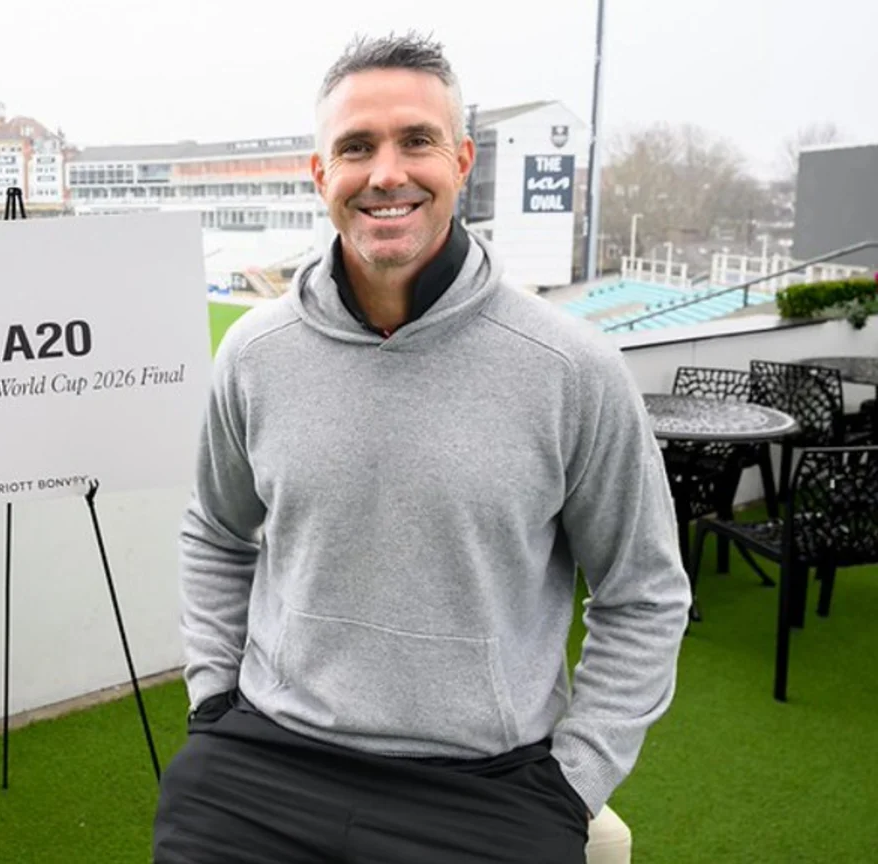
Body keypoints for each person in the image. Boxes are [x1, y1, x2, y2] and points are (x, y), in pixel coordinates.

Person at [153, 32, 691, 864]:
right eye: (356, 147)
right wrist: (212, 701)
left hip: (485, 785)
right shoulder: (255, 356)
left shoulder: (573, 370)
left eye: (417, 141)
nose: (387, 173)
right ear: (320, 174)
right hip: (267, 756)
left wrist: (573, 780)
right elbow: (216, 534)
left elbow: (645, 594)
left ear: (462, 160)